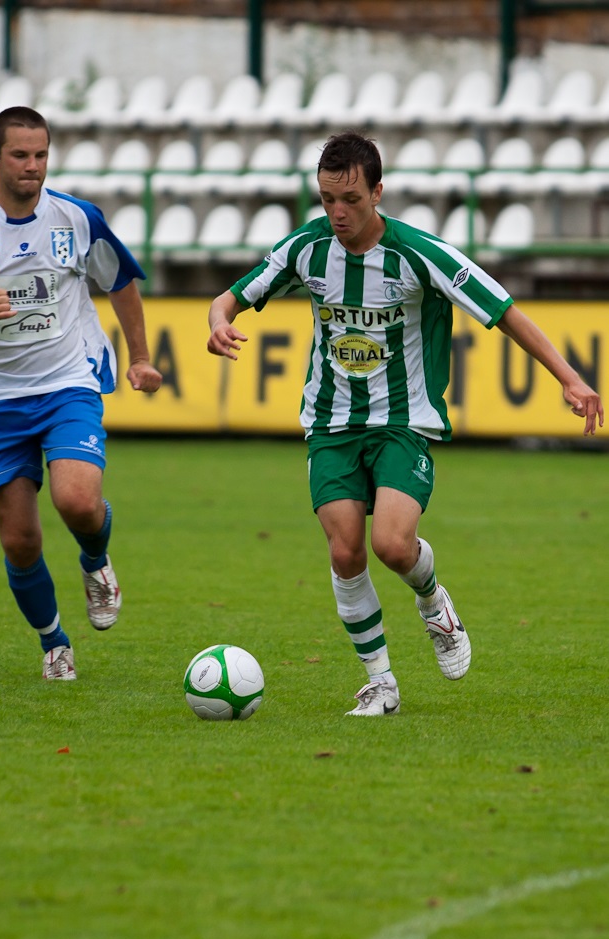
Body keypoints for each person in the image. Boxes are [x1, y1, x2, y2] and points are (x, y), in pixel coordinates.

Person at [207, 131, 604, 717]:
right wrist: (219, 322)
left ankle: (434, 603)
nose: (338, 213)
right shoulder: (305, 248)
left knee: (391, 544)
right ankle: (381, 683)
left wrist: (569, 378)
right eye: (326, 200)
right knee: (346, 552)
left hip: (402, 421)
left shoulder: (421, 253)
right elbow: (231, 297)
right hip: (331, 423)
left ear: (378, 192)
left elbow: (504, 311)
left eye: (351, 200)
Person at [0, 106, 162, 680]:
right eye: (20, 155)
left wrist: (141, 358)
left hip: (67, 382)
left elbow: (120, 280)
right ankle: (55, 643)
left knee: (77, 501)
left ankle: (95, 561)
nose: (33, 166)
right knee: (21, 541)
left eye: (41, 154)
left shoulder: (75, 217)